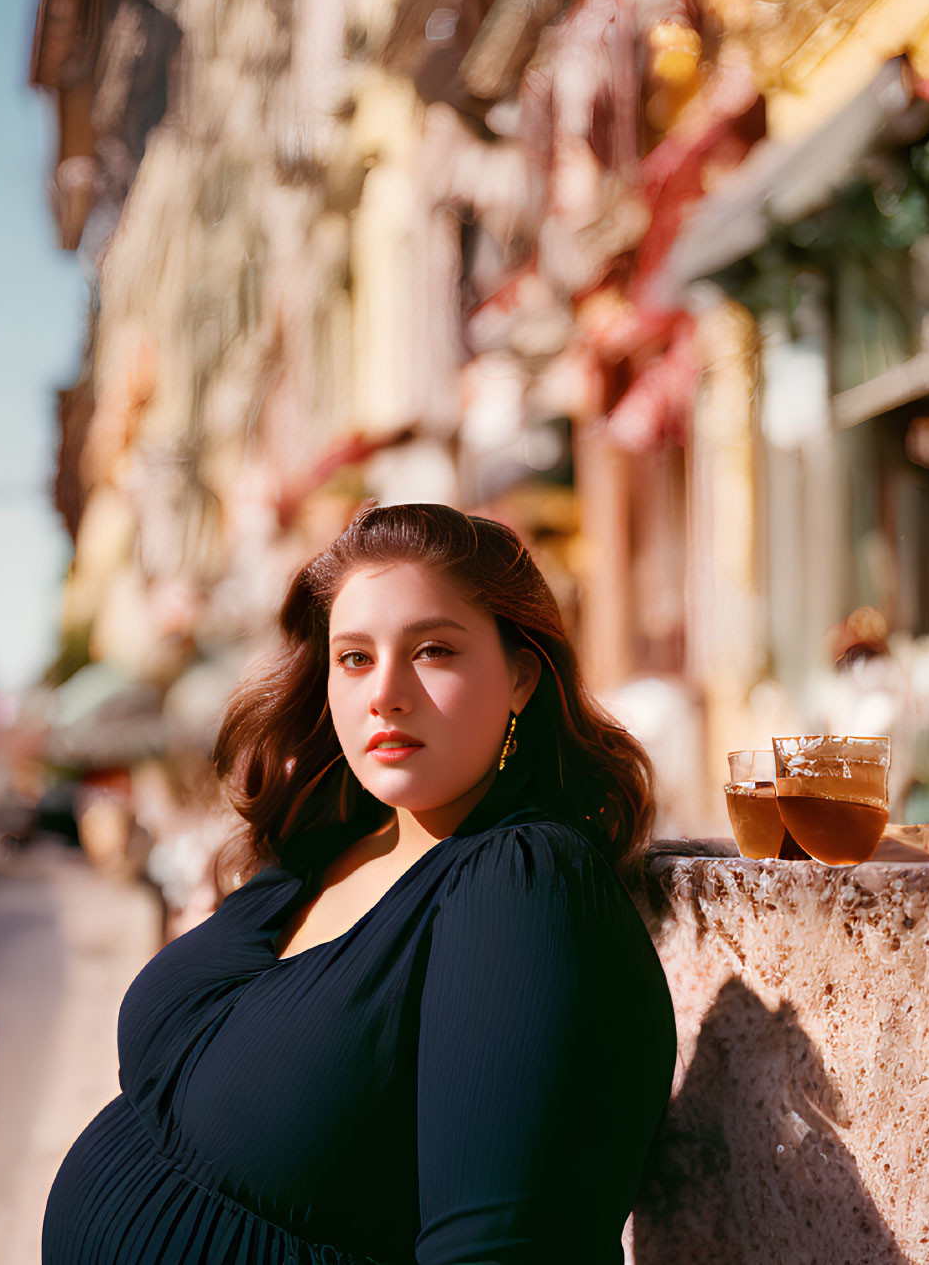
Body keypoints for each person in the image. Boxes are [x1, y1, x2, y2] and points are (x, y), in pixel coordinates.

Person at [42, 502, 676, 1264]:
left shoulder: (519, 884)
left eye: (433, 649)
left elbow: (499, 1247)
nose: (385, 692)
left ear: (518, 675)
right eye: (354, 657)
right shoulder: (321, 848)